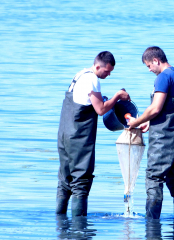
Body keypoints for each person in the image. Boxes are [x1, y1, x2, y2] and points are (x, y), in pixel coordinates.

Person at [56, 51, 130, 217]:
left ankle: (60, 225)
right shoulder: (92, 79)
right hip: (79, 138)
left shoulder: (80, 75)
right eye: (107, 71)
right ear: (98, 66)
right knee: (81, 182)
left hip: (64, 134)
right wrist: (117, 95)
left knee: (64, 180)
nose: (108, 74)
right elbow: (101, 109)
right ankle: (80, 229)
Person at [128, 46, 174, 219]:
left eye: (149, 66)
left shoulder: (163, 77)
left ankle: (152, 226)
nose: (149, 70)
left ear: (156, 60)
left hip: (163, 139)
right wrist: (149, 121)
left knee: (154, 178)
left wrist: (137, 121)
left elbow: (155, 108)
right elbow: (171, 108)